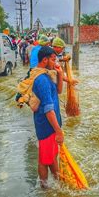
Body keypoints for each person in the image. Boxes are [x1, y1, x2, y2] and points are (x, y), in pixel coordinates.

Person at [32, 46, 64, 188]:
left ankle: (58, 184)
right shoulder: (42, 80)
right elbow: (48, 110)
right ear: (44, 60)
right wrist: (58, 130)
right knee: (44, 160)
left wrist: (60, 74)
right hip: (47, 127)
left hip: (50, 126)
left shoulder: (46, 75)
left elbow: (58, 91)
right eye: (53, 59)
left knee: (51, 157)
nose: (55, 62)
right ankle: (45, 190)